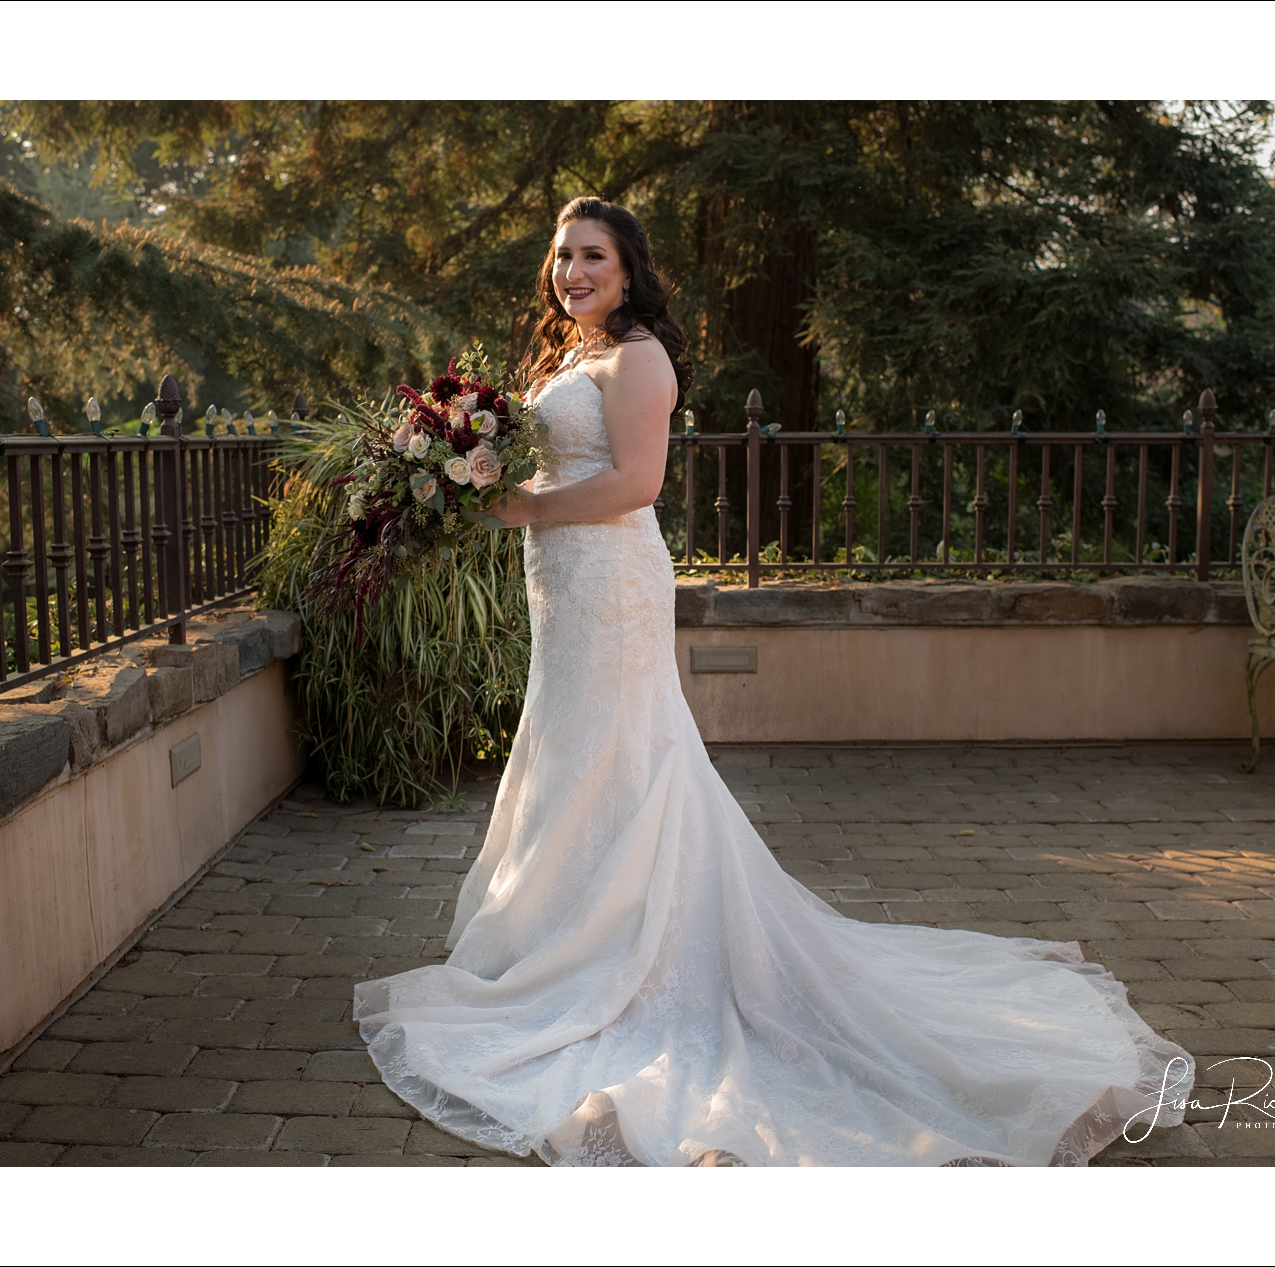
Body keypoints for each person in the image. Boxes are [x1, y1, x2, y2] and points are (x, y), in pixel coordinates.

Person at [352, 196, 1193, 1166]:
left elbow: (637, 485)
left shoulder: (640, 360)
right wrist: (470, 463)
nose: (572, 272)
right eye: (562, 256)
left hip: (611, 583)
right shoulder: (571, 361)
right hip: (566, 589)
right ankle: (559, 934)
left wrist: (521, 504)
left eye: (592, 256)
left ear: (629, 270)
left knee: (622, 752)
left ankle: (630, 952)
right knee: (571, 744)